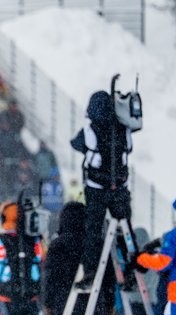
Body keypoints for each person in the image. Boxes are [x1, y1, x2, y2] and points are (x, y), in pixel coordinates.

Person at [71, 89, 135, 287]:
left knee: (93, 231)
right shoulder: (124, 129)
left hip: (96, 189)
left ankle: (90, 272)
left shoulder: (89, 131)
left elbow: (76, 143)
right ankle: (132, 267)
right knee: (126, 231)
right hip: (120, 189)